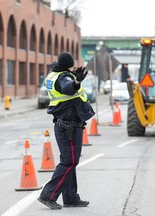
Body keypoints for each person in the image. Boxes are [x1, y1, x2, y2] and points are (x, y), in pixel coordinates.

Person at [38, 52, 95, 210]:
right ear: (67, 65)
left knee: (70, 161)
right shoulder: (64, 77)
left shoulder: (53, 74)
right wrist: (76, 81)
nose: (73, 67)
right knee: (69, 161)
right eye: (72, 65)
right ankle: (47, 195)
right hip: (68, 126)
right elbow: (68, 88)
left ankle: (70, 198)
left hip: (66, 124)